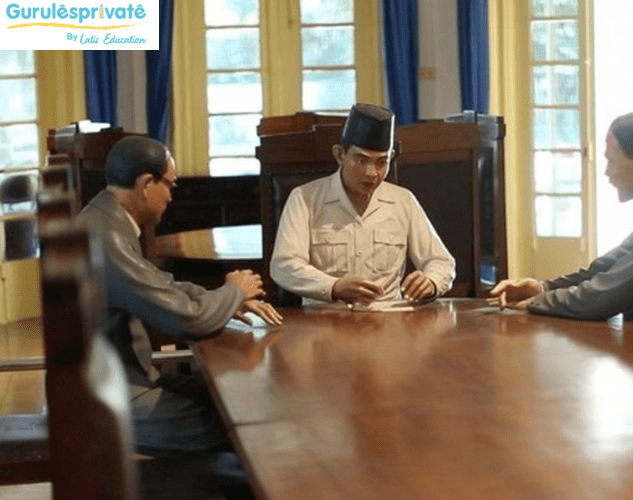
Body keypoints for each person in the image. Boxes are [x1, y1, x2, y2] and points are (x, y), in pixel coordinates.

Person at [77, 136, 282, 492]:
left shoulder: (102, 218)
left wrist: (226, 300)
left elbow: (161, 284)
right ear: (146, 184)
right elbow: (190, 321)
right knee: (245, 425)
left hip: (117, 380)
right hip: (114, 398)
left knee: (234, 396)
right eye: (169, 184)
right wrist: (234, 291)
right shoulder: (107, 238)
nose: (172, 195)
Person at [488, 111, 633, 348]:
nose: (607, 172)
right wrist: (543, 288)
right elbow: (613, 264)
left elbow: (612, 291)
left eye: (612, 161)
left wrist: (538, 302)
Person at [270, 103, 456, 306]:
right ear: (340, 155)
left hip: (387, 317)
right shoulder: (305, 199)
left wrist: (431, 281)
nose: (372, 173)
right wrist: (333, 287)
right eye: (361, 161)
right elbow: (283, 266)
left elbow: (442, 261)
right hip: (325, 317)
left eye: (381, 162)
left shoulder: (403, 201)